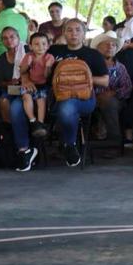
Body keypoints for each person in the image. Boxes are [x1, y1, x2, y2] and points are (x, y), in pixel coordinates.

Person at [46, 18, 109, 167]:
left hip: (85, 99)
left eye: (77, 30)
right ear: (63, 33)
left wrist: (78, 78)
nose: (73, 33)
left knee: (68, 108)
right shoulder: (54, 51)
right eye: (69, 30)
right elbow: (44, 76)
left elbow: (105, 81)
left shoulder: (93, 54)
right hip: (58, 97)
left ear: (84, 33)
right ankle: (70, 145)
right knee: (66, 107)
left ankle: (69, 144)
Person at [0, 26, 37, 172]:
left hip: (30, 90)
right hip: (12, 90)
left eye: (12, 37)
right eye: (5, 38)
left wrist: (22, 81)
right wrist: (10, 82)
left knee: (16, 108)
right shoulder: (1, 59)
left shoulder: (28, 53)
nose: (9, 40)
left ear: (18, 38)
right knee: (3, 100)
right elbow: (0, 82)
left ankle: (24, 149)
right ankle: (13, 138)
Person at [93, 31, 132, 148]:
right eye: (106, 44)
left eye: (113, 45)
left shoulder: (120, 67)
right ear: (98, 47)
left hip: (115, 101)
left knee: (109, 103)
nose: (110, 47)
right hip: (92, 99)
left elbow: (127, 87)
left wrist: (113, 93)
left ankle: (114, 143)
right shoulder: (90, 65)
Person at [19, 32, 56, 138]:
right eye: (36, 44)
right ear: (30, 46)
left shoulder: (49, 57)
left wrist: (48, 67)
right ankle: (33, 120)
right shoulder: (28, 56)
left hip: (43, 85)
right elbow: (22, 71)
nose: (40, 47)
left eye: (44, 44)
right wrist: (28, 64)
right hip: (30, 83)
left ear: (48, 45)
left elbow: (47, 76)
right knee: (26, 96)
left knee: (41, 101)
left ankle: (40, 124)